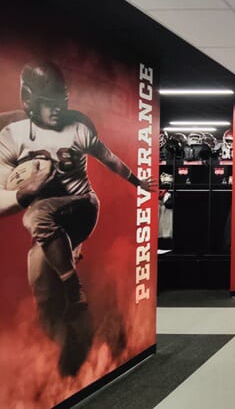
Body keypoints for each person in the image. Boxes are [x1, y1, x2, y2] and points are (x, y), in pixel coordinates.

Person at [0, 61, 153, 376]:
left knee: (37, 214)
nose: (57, 110)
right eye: (48, 104)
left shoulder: (78, 126)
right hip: (47, 221)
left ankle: (74, 290)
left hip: (81, 206)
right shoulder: (12, 135)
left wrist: (139, 183)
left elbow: (108, 158)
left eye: (62, 102)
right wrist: (23, 192)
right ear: (28, 99)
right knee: (41, 281)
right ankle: (69, 339)